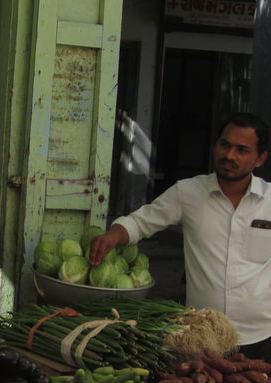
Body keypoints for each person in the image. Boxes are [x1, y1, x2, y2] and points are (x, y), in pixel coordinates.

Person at [89, 111, 271, 360]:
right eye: (224, 145)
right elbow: (140, 222)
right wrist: (112, 236)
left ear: (260, 159)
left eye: (242, 150)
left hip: (263, 337)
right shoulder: (188, 193)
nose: (229, 155)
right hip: (203, 338)